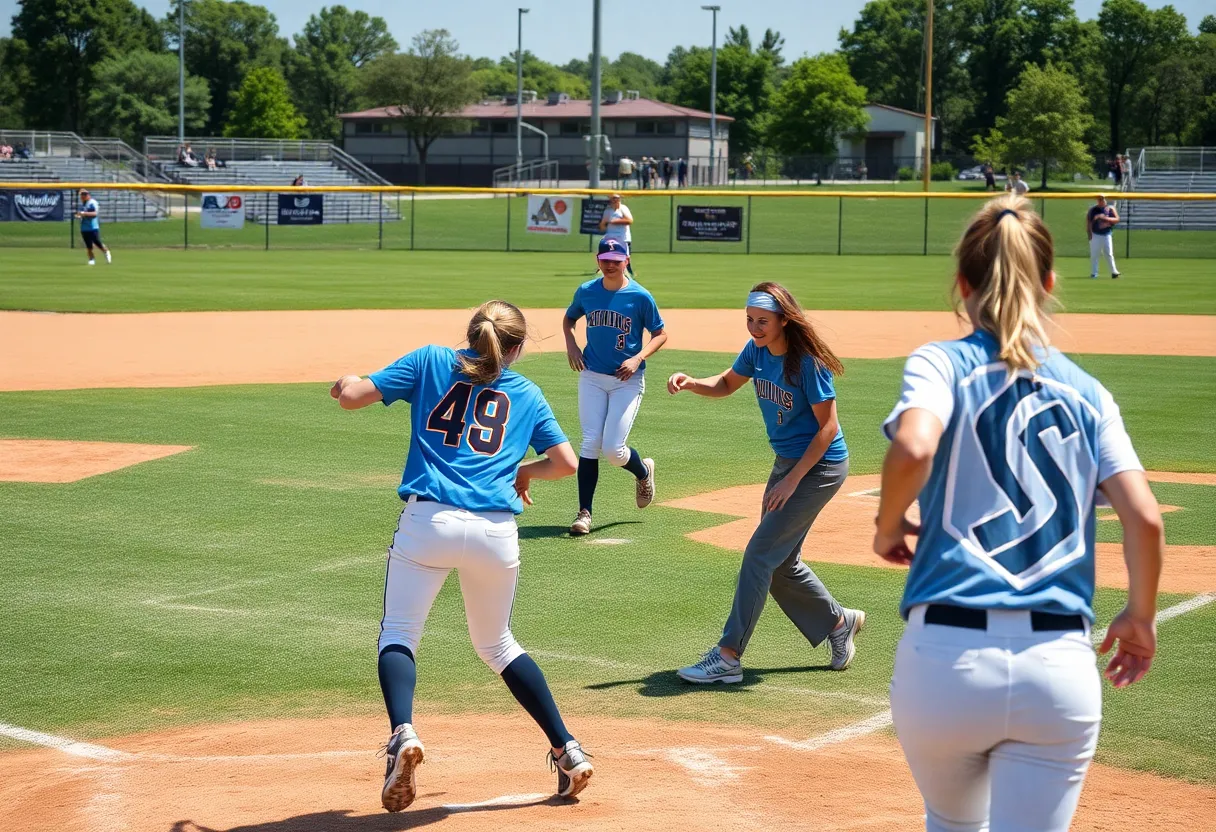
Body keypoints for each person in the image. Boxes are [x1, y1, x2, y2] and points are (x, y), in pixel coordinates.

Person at [873, 194, 1162, 832]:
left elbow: (915, 445)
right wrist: (1139, 615)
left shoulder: (940, 362)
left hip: (945, 660)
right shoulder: (1090, 393)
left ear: (962, 283)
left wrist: (888, 524)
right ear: (1050, 282)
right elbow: (1144, 518)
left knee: (952, 823)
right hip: (1057, 666)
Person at [329, 301, 595, 812]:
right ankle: (568, 750)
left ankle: (403, 734)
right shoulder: (527, 392)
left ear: (471, 334)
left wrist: (344, 382)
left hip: (429, 523)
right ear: (514, 348)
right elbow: (563, 463)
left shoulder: (430, 360)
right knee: (497, 645)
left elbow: (355, 397)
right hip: (496, 533)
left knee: (400, 633)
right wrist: (524, 473)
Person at [668, 282, 864, 683]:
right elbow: (725, 383)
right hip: (789, 463)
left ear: (783, 320)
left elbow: (828, 429)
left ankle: (727, 656)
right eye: (750, 320)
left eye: (763, 321)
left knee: (760, 555)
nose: (755, 328)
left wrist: (791, 481)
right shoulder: (756, 352)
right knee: (778, 563)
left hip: (820, 467)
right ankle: (837, 622)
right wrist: (691, 382)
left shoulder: (806, 361)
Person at [562, 238, 667, 535]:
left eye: (616, 259)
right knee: (590, 442)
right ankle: (584, 513)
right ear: (597, 260)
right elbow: (569, 318)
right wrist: (571, 344)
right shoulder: (587, 291)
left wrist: (638, 357)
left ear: (627, 260)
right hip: (592, 375)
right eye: (605, 259)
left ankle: (643, 471)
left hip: (627, 380)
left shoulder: (640, 296)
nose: (610, 264)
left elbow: (660, 334)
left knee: (613, 449)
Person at [597, 192, 634, 275]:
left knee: (625, 256)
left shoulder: (623, 209)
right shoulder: (608, 211)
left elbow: (629, 220)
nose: (614, 200)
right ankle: (603, 269)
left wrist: (613, 221)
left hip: (623, 237)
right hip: (610, 237)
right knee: (608, 254)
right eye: (613, 199)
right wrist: (602, 225)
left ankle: (629, 272)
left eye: (616, 199)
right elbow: (603, 225)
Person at [1087, 194, 1121, 279]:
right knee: (1095, 254)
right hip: (1096, 234)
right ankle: (1094, 273)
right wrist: (1090, 234)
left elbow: (1117, 219)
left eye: (1103, 199)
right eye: (1100, 199)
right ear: (1097, 201)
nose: (1102, 201)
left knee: (1109, 253)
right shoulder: (1093, 209)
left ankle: (1114, 272)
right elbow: (1089, 222)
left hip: (1106, 234)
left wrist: (1106, 219)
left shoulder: (1110, 208)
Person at [75, 189, 111, 266]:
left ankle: (106, 252)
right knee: (88, 245)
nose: (83, 196)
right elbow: (80, 213)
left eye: (84, 194)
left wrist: (84, 214)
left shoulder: (92, 203)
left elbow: (94, 214)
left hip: (93, 227)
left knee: (97, 243)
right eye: (82, 195)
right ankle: (91, 259)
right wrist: (79, 215)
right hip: (84, 228)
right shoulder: (83, 204)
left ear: (88, 195)